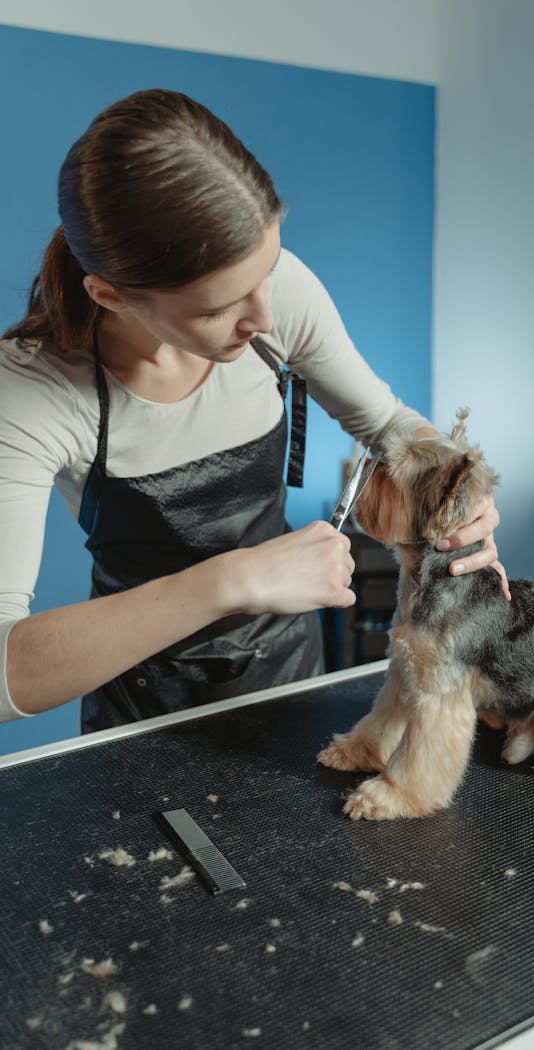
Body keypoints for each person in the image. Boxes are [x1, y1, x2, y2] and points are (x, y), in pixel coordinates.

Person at [0, 89, 507, 734]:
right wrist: (227, 581)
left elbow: (387, 426)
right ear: (111, 295)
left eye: (266, 273)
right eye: (217, 308)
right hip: (143, 715)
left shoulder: (277, 295)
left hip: (292, 676)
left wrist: (459, 490)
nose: (265, 320)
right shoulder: (29, 391)